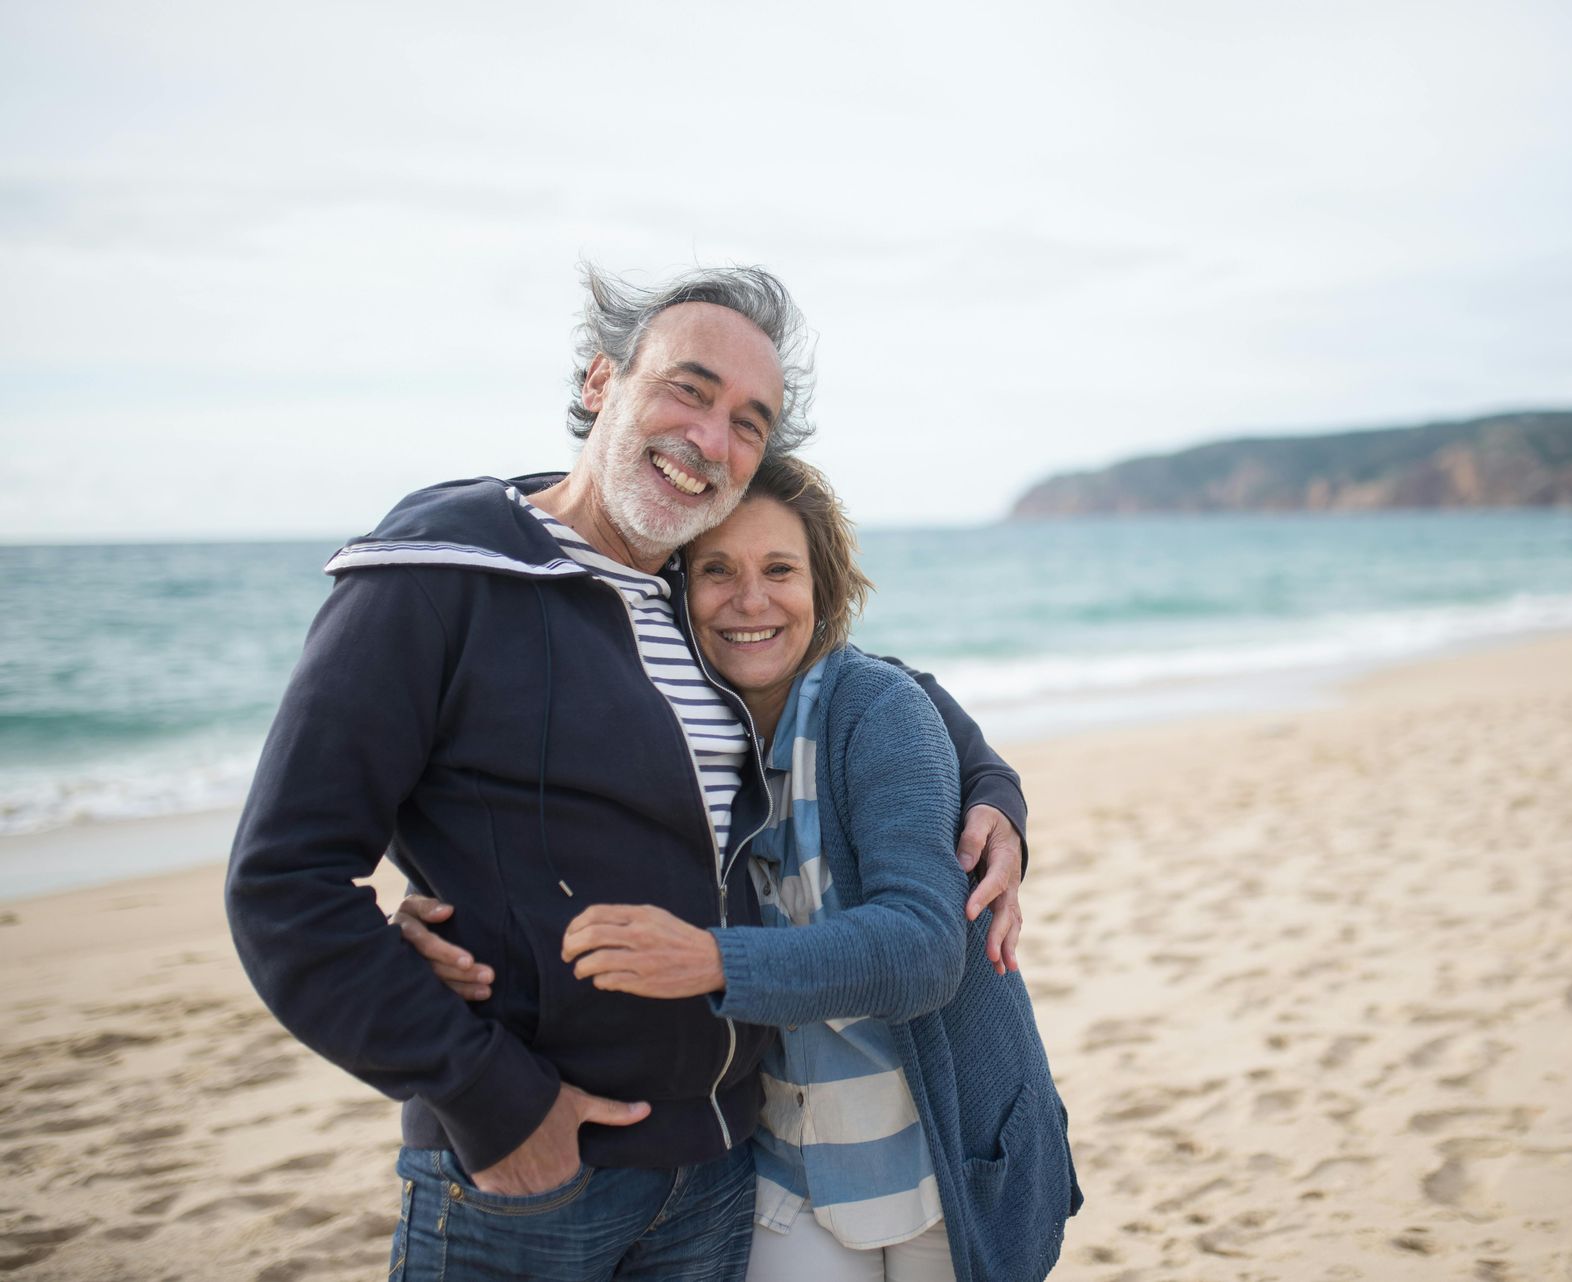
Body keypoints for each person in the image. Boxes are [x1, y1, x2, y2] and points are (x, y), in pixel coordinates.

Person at [225, 264, 1032, 1282]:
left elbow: (862, 681)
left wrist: (993, 791)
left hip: (726, 1168)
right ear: (602, 382)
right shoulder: (437, 577)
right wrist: (496, 1105)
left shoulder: (687, 595)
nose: (712, 439)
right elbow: (282, 885)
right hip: (533, 1181)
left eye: (750, 420)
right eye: (688, 389)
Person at [405, 457, 1080, 1281]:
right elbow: (537, 812)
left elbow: (924, 951)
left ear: (822, 588)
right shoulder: (670, 725)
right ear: (674, 591)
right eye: (717, 570)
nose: (750, 600)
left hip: (945, 1156)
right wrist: (438, 907)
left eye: (780, 570)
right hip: (790, 1159)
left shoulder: (876, 710)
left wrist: (713, 961)